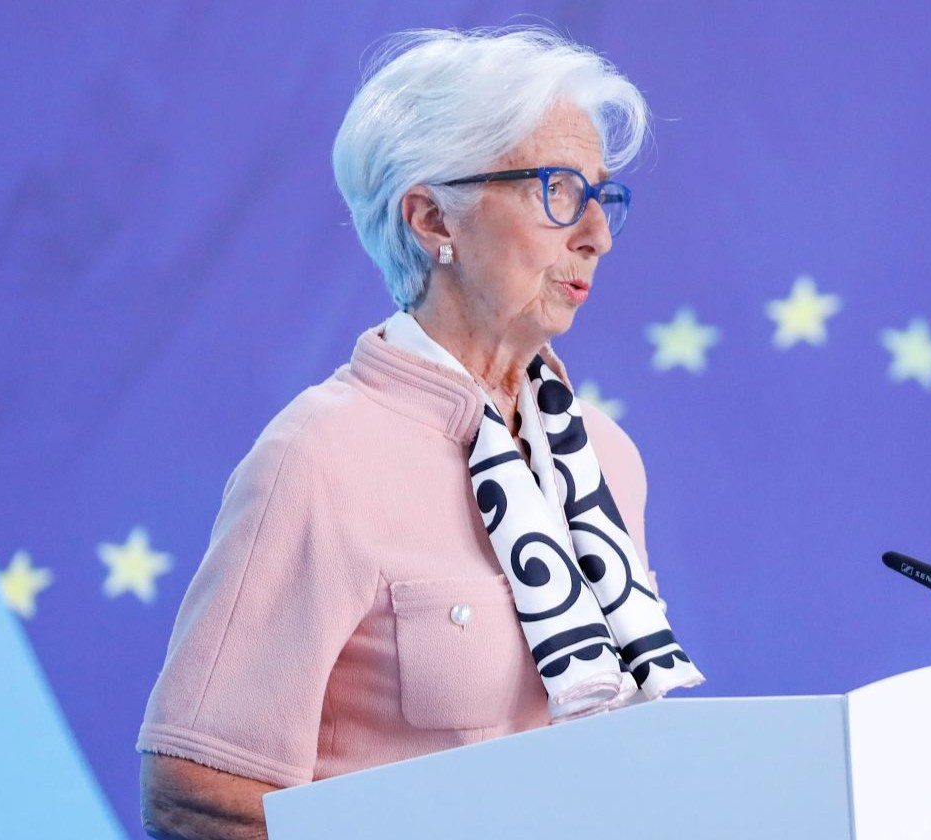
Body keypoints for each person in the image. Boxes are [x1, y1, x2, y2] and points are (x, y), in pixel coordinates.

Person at [137, 27, 702, 840]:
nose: (596, 236)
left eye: (601, 196)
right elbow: (192, 797)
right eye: (556, 191)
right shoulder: (320, 458)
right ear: (433, 216)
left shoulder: (606, 457)